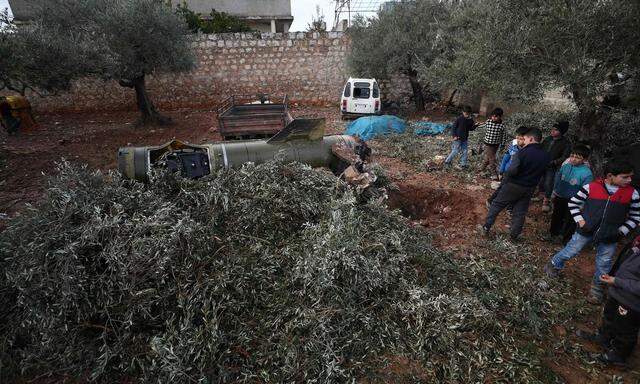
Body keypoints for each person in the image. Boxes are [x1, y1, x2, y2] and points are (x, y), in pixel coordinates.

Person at [544, 160, 640, 304]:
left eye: (630, 176)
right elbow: (573, 203)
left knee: (604, 261)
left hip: (611, 235)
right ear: (610, 176)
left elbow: (636, 216)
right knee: (571, 250)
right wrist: (581, 221)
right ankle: (554, 264)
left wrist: (621, 231)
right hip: (585, 230)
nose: (629, 180)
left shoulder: (632, 194)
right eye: (625, 177)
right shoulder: (592, 187)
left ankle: (597, 287)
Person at [576, 235, 640, 366]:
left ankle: (618, 355)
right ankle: (603, 337)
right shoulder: (636, 242)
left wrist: (617, 281)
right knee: (609, 316)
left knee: (625, 328)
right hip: (618, 292)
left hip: (632, 300)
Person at [481, 127, 550, 241]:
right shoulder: (546, 155)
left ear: (531, 138)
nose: (524, 140)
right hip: (529, 188)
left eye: (526, 138)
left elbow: (512, 170)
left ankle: (486, 227)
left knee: (497, 205)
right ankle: (514, 235)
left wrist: (505, 179)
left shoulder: (522, 152)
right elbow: (544, 173)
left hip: (514, 185)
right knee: (520, 212)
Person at [547, 144, 593, 244]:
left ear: (584, 160)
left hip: (574, 201)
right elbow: (558, 180)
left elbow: (586, 190)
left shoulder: (587, 173)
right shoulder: (566, 166)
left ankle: (564, 238)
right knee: (557, 215)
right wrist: (554, 193)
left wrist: (581, 204)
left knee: (570, 220)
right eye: (572, 156)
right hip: (560, 196)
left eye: (577, 157)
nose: (573, 159)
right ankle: (552, 234)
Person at [486, 126, 529, 207]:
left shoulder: (528, 150)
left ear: (526, 139)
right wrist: (501, 171)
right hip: (508, 172)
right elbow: (506, 158)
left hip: (519, 175)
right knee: (502, 188)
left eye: (520, 138)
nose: (517, 139)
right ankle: (490, 201)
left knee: (513, 192)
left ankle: (510, 207)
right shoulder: (513, 145)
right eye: (517, 137)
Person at [540, 121, 572, 212]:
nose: (553, 131)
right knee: (541, 180)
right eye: (552, 129)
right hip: (542, 163)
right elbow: (541, 148)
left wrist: (554, 162)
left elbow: (565, 156)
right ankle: (540, 195)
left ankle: (546, 201)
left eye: (556, 130)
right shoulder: (548, 139)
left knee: (548, 182)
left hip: (553, 166)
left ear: (561, 132)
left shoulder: (565, 143)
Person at [477, 107, 506, 179]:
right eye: (493, 116)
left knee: (488, 158)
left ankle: (481, 169)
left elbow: (504, 136)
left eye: (496, 117)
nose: (494, 118)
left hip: (496, 144)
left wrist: (503, 144)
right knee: (492, 159)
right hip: (488, 143)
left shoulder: (502, 125)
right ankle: (494, 174)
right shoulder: (489, 122)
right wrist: (475, 125)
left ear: (500, 117)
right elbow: (482, 125)